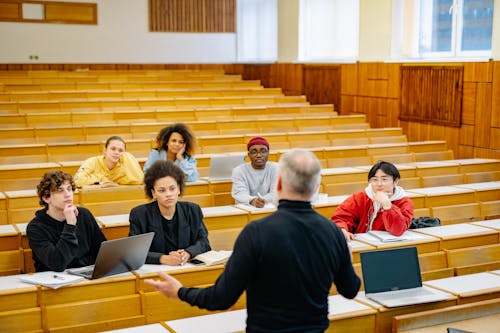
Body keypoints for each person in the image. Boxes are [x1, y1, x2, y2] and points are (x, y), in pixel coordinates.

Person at [145, 149, 361, 332]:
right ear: (316, 187)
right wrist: (345, 255)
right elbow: (351, 289)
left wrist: (180, 291)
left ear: (277, 184)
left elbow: (221, 298)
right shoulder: (333, 232)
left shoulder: (257, 232)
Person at [129, 160, 210, 266]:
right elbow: (134, 252)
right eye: (162, 190)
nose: (169, 194)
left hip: (185, 267)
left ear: (179, 189)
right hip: (155, 272)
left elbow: (204, 243)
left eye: (172, 189)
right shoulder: (139, 214)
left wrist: (187, 253)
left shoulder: (192, 210)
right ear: (153, 193)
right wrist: (163, 259)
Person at [27, 170, 106, 272]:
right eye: (60, 191)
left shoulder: (84, 215)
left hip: (85, 276)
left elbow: (102, 251)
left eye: (69, 189)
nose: (68, 194)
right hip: (54, 281)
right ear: (46, 198)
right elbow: (58, 264)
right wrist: (70, 226)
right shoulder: (35, 228)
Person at [331, 160, 414, 241]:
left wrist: (387, 205)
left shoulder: (404, 202)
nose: (379, 184)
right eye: (374, 180)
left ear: (395, 181)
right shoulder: (360, 197)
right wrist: (342, 229)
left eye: (384, 179)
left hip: (388, 247)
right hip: (362, 244)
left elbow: (398, 230)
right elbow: (341, 217)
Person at [73, 135, 143, 187]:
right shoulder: (92, 162)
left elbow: (139, 180)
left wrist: (128, 156)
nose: (116, 152)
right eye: (113, 149)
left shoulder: (125, 164)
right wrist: (103, 180)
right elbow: (77, 181)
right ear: (105, 150)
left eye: (120, 150)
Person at [231, 136, 278, 208]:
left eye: (263, 151)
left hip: (270, 208)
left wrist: (261, 201)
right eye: (254, 152)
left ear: (268, 153)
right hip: (247, 208)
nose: (259, 155)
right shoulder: (239, 171)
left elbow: (276, 192)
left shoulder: (276, 168)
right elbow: (239, 193)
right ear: (249, 155)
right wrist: (252, 201)